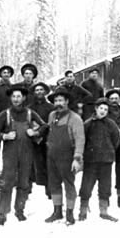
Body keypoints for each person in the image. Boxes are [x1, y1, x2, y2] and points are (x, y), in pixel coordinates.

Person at [0, 86, 47, 225]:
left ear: (23, 98)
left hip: (27, 153)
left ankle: (20, 210)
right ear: (10, 98)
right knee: (6, 183)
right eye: (13, 97)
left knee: (24, 182)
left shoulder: (30, 113)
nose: (16, 99)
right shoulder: (4, 115)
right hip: (10, 153)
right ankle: (2, 213)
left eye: (19, 96)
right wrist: (5, 135)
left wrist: (35, 133)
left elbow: (44, 126)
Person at [78, 98, 120, 222]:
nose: (103, 111)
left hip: (106, 160)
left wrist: (109, 150)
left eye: (106, 109)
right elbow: (82, 140)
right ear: (96, 109)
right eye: (101, 108)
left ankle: (104, 212)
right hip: (91, 161)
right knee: (86, 186)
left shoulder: (111, 124)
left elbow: (116, 140)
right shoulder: (88, 124)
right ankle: (82, 211)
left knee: (105, 187)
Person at [42, 89, 85, 225]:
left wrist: (77, 158)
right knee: (54, 183)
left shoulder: (75, 118)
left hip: (67, 156)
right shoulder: (52, 115)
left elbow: (80, 139)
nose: (58, 103)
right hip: (52, 155)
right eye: (56, 101)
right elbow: (49, 131)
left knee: (69, 184)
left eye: (61, 100)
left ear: (67, 101)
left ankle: (70, 213)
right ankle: (57, 211)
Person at [29, 83, 57, 199]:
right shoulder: (29, 108)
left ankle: (49, 190)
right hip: (32, 139)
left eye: (41, 90)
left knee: (48, 164)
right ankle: (27, 189)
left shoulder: (51, 107)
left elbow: (53, 123)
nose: (39, 92)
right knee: (30, 164)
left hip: (47, 139)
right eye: (37, 90)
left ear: (45, 92)